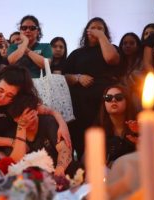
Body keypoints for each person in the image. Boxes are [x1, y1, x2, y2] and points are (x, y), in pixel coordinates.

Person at [64, 17, 120, 159]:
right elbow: (64, 77)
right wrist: (78, 77)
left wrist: (101, 37)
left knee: (105, 137)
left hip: (104, 102)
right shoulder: (77, 53)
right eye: (93, 27)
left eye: (100, 28)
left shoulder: (111, 48)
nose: (96, 30)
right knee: (82, 139)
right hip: (81, 105)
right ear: (87, 32)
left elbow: (111, 59)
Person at [8, 94, 72, 176]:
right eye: (24, 119)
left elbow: (64, 149)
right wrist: (22, 128)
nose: (30, 122)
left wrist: (60, 168)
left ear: (36, 110)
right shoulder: (13, 133)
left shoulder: (48, 122)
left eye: (31, 115)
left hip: (59, 172)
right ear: (15, 119)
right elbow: (14, 163)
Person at [95, 85, 137, 167]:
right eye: (108, 98)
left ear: (127, 101)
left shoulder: (138, 126)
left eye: (119, 97)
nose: (113, 100)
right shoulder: (98, 131)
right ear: (104, 103)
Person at [118, 32, 144, 111]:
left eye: (132, 43)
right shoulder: (118, 64)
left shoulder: (143, 63)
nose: (127, 46)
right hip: (123, 104)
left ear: (138, 46)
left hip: (140, 102)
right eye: (125, 43)